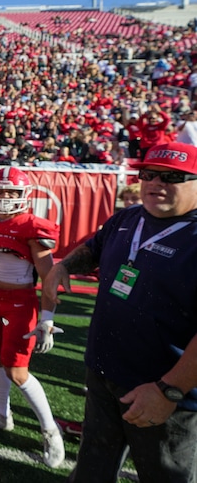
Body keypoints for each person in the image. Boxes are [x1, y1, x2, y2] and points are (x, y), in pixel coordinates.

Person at [44, 141, 197, 482]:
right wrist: (64, 266)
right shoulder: (129, 216)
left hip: (163, 393)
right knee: (91, 472)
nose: (156, 183)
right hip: (103, 375)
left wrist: (169, 390)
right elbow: (94, 248)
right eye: (149, 174)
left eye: (172, 177)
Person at [0, 166, 66, 469]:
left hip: (19, 302)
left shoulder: (31, 227)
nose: (6, 197)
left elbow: (49, 278)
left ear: (24, 196)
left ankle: (51, 430)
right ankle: (2, 415)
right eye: (1, 191)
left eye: (12, 192)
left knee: (17, 371)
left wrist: (47, 318)